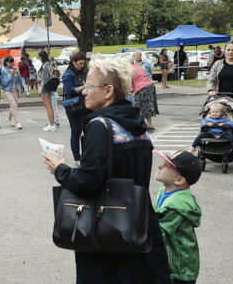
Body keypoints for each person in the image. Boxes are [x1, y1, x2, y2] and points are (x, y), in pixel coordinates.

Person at [42, 56, 170, 283]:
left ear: (109, 90)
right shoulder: (135, 122)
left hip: (106, 229)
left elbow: (89, 181)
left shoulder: (100, 125)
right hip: (139, 223)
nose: (83, 92)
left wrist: (60, 169)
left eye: (89, 86)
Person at [153, 150, 202, 284]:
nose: (159, 167)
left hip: (180, 269)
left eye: (166, 166)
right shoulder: (164, 189)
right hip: (172, 261)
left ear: (180, 180)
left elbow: (159, 233)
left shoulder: (177, 206)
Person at [61, 52, 90, 163]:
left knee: (88, 131)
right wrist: (84, 87)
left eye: (83, 63)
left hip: (86, 105)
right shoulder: (68, 74)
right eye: (80, 63)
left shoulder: (84, 73)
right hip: (74, 107)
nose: (82, 66)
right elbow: (70, 90)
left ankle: (86, 155)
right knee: (76, 132)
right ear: (73, 62)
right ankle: (77, 158)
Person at [131, 59, 159, 131]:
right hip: (150, 85)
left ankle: (141, 124)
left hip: (142, 87)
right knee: (147, 106)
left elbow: (129, 83)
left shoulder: (129, 70)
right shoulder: (139, 67)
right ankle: (150, 124)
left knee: (138, 106)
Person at [0, 56, 24, 129]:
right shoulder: (3, 71)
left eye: (12, 62)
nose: (12, 64)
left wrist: (18, 74)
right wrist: (11, 75)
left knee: (14, 105)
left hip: (15, 89)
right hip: (7, 90)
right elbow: (4, 83)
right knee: (13, 104)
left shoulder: (15, 69)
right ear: (6, 62)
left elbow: (19, 81)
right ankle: (17, 122)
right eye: (10, 62)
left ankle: (8, 119)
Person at [38, 51, 59, 131]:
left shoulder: (45, 65)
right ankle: (51, 124)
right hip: (49, 86)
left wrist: (40, 88)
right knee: (49, 107)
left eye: (39, 56)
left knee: (48, 107)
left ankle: (52, 125)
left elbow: (45, 79)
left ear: (42, 57)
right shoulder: (48, 64)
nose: (38, 58)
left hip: (46, 87)